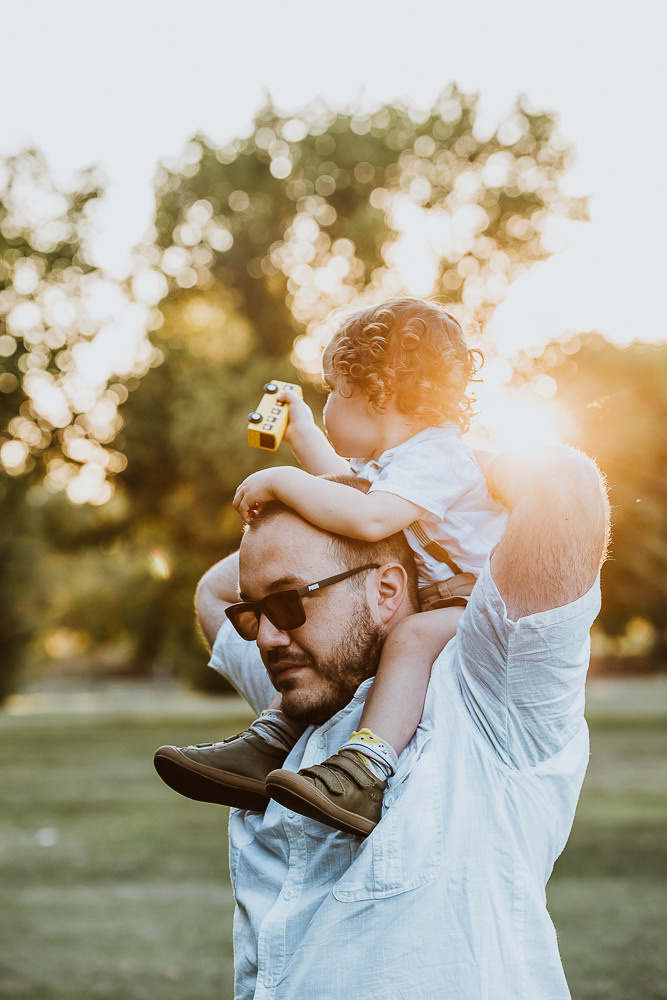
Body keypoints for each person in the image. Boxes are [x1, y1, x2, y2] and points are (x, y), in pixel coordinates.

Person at [166, 446, 608, 1000]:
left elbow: (564, 486)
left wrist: (428, 480)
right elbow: (213, 590)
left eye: (287, 601)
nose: (267, 638)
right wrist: (336, 507)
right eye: (253, 613)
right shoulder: (296, 703)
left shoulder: (488, 695)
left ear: (387, 590)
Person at [155, 299, 508, 835]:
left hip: (478, 604)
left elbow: (367, 520)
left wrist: (281, 480)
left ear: (378, 392)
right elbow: (350, 491)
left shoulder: (440, 455)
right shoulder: (397, 464)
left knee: (408, 638)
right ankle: (272, 741)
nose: (326, 406)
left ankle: (366, 771)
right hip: (443, 597)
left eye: (331, 392)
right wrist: (299, 433)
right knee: (328, 636)